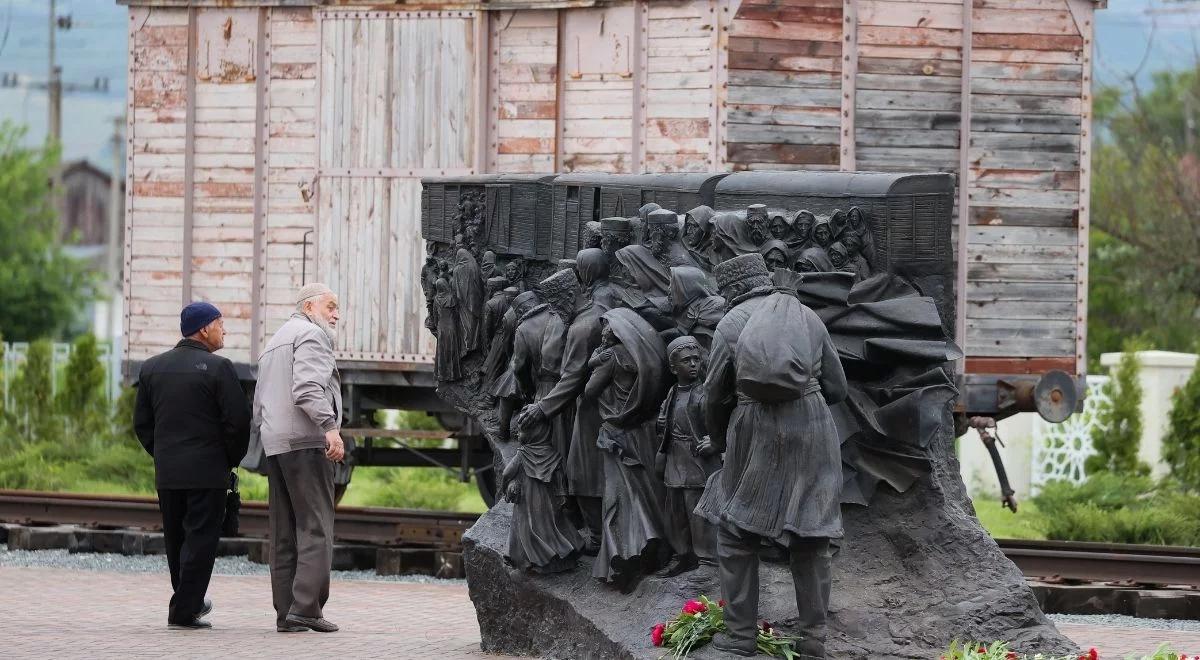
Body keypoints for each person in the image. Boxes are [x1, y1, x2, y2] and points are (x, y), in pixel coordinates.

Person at [697, 254, 848, 658]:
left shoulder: (729, 324)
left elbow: (715, 394)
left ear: (732, 290)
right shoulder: (807, 317)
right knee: (811, 536)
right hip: (813, 427)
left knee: (734, 533)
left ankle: (740, 636)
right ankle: (813, 637)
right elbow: (837, 387)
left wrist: (718, 439)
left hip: (754, 429)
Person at [135, 302, 251, 630]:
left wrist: (164, 453)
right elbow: (239, 422)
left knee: (176, 540)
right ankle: (184, 611)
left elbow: (143, 423)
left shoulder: (152, 368)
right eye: (220, 323)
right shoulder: (219, 368)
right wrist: (227, 459)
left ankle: (189, 602)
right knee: (200, 541)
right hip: (207, 473)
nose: (224, 329)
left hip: (169, 472)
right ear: (203, 329)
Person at [253, 283, 345, 634]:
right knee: (315, 527)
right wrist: (330, 427)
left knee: (284, 532)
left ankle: (287, 613)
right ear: (309, 307)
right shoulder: (311, 335)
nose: (336, 314)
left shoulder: (275, 341)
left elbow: (259, 404)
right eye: (331, 307)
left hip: (276, 444)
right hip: (306, 442)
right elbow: (308, 388)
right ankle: (306, 608)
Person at [584, 308, 671, 588]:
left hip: (617, 433)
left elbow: (589, 391)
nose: (604, 333)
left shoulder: (611, 357)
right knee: (647, 490)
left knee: (621, 495)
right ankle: (656, 546)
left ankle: (627, 552)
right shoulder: (643, 353)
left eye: (606, 328)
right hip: (642, 430)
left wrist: (595, 361)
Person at [654, 335, 719, 577]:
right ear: (673, 367)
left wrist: (715, 441)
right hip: (675, 459)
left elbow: (721, 422)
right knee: (676, 512)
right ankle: (683, 556)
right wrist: (661, 424)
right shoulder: (672, 392)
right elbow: (667, 423)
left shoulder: (705, 393)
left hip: (696, 462)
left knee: (697, 512)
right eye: (686, 361)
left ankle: (706, 560)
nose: (693, 364)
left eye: (696, 359)